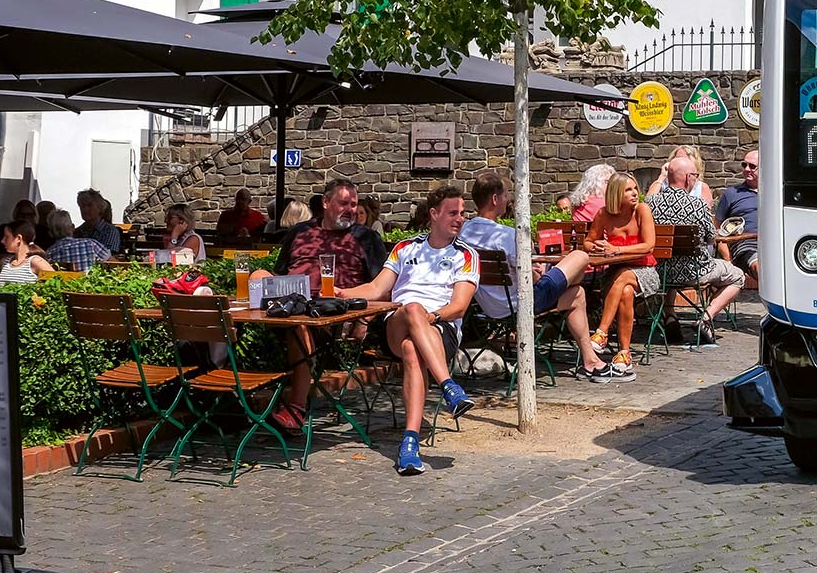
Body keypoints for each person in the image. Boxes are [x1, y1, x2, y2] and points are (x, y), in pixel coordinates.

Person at [338, 185, 479, 476]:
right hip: (398, 322)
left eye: (463, 214)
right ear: (434, 214)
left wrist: (433, 316)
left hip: (440, 328)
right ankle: (449, 387)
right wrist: (343, 293)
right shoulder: (406, 247)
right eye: (453, 213)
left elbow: (459, 307)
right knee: (412, 308)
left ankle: (410, 444)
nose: (460, 218)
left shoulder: (465, 255)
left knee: (412, 350)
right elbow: (377, 289)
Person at [252, 178, 389, 430]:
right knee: (257, 275)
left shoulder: (365, 237)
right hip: (287, 303)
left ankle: (296, 408)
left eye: (354, 204)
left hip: (330, 315)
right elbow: (279, 273)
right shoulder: (300, 232)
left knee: (299, 325)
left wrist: (364, 318)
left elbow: (382, 287)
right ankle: (226, 387)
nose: (349, 209)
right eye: (343, 203)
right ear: (326, 203)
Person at [458, 171, 619, 383]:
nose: (508, 200)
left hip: (488, 307)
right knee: (580, 256)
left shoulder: (463, 232)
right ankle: (590, 361)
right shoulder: (506, 235)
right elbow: (531, 278)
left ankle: (590, 361)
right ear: (495, 199)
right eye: (506, 195)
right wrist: (540, 272)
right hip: (522, 304)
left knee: (577, 294)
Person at [645, 155, 747, 347]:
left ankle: (669, 315)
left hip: (660, 272)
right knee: (738, 276)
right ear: (687, 177)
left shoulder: (650, 203)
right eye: (695, 175)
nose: (696, 179)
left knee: (672, 260)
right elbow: (711, 238)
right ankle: (706, 318)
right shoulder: (697, 205)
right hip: (694, 271)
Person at [584, 172, 654, 377]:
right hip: (614, 274)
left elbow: (649, 246)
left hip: (645, 272)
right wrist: (597, 246)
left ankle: (601, 333)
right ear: (616, 193)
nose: (635, 194)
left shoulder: (642, 210)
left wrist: (617, 250)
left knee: (624, 277)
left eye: (635, 189)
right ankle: (624, 353)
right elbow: (588, 242)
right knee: (625, 292)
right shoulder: (603, 214)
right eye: (628, 190)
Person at [714, 149, 761, 276]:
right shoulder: (732, 193)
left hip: (775, 243)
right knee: (759, 267)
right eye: (744, 165)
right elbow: (717, 230)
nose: (746, 169)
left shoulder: (778, 192)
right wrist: (728, 260)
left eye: (752, 166)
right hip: (746, 245)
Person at [647, 145, 716, 205]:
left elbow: (706, 212)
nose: (680, 161)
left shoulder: (701, 187)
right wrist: (662, 177)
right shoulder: (663, 184)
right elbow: (648, 202)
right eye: (677, 158)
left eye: (684, 159)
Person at [44, 210, 111, 271]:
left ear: (50, 233)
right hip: (90, 282)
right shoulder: (90, 244)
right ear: (73, 227)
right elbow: (110, 260)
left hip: (65, 283)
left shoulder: (49, 253)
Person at [0, 221, 53, 286]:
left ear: (18, 239)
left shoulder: (35, 261)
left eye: (7, 237)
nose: (2, 241)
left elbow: (57, 281)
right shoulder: (4, 262)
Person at [74, 189, 122, 254]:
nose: (85, 209)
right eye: (82, 206)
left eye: (89, 205)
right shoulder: (77, 232)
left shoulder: (110, 231)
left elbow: (109, 259)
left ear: (100, 208)